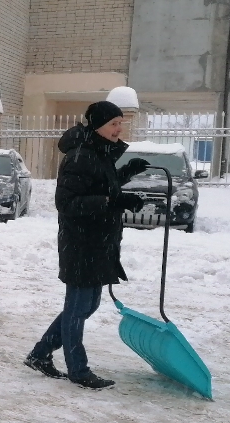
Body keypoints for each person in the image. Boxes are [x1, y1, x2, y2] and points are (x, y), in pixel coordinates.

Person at [24, 100, 149, 390]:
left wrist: (126, 172)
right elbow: (66, 203)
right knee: (78, 307)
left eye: (120, 123)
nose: (119, 128)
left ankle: (40, 354)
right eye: (113, 124)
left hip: (98, 241)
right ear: (97, 126)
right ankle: (78, 369)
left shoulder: (97, 153)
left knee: (87, 305)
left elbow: (98, 186)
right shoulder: (80, 156)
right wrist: (112, 201)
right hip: (81, 242)